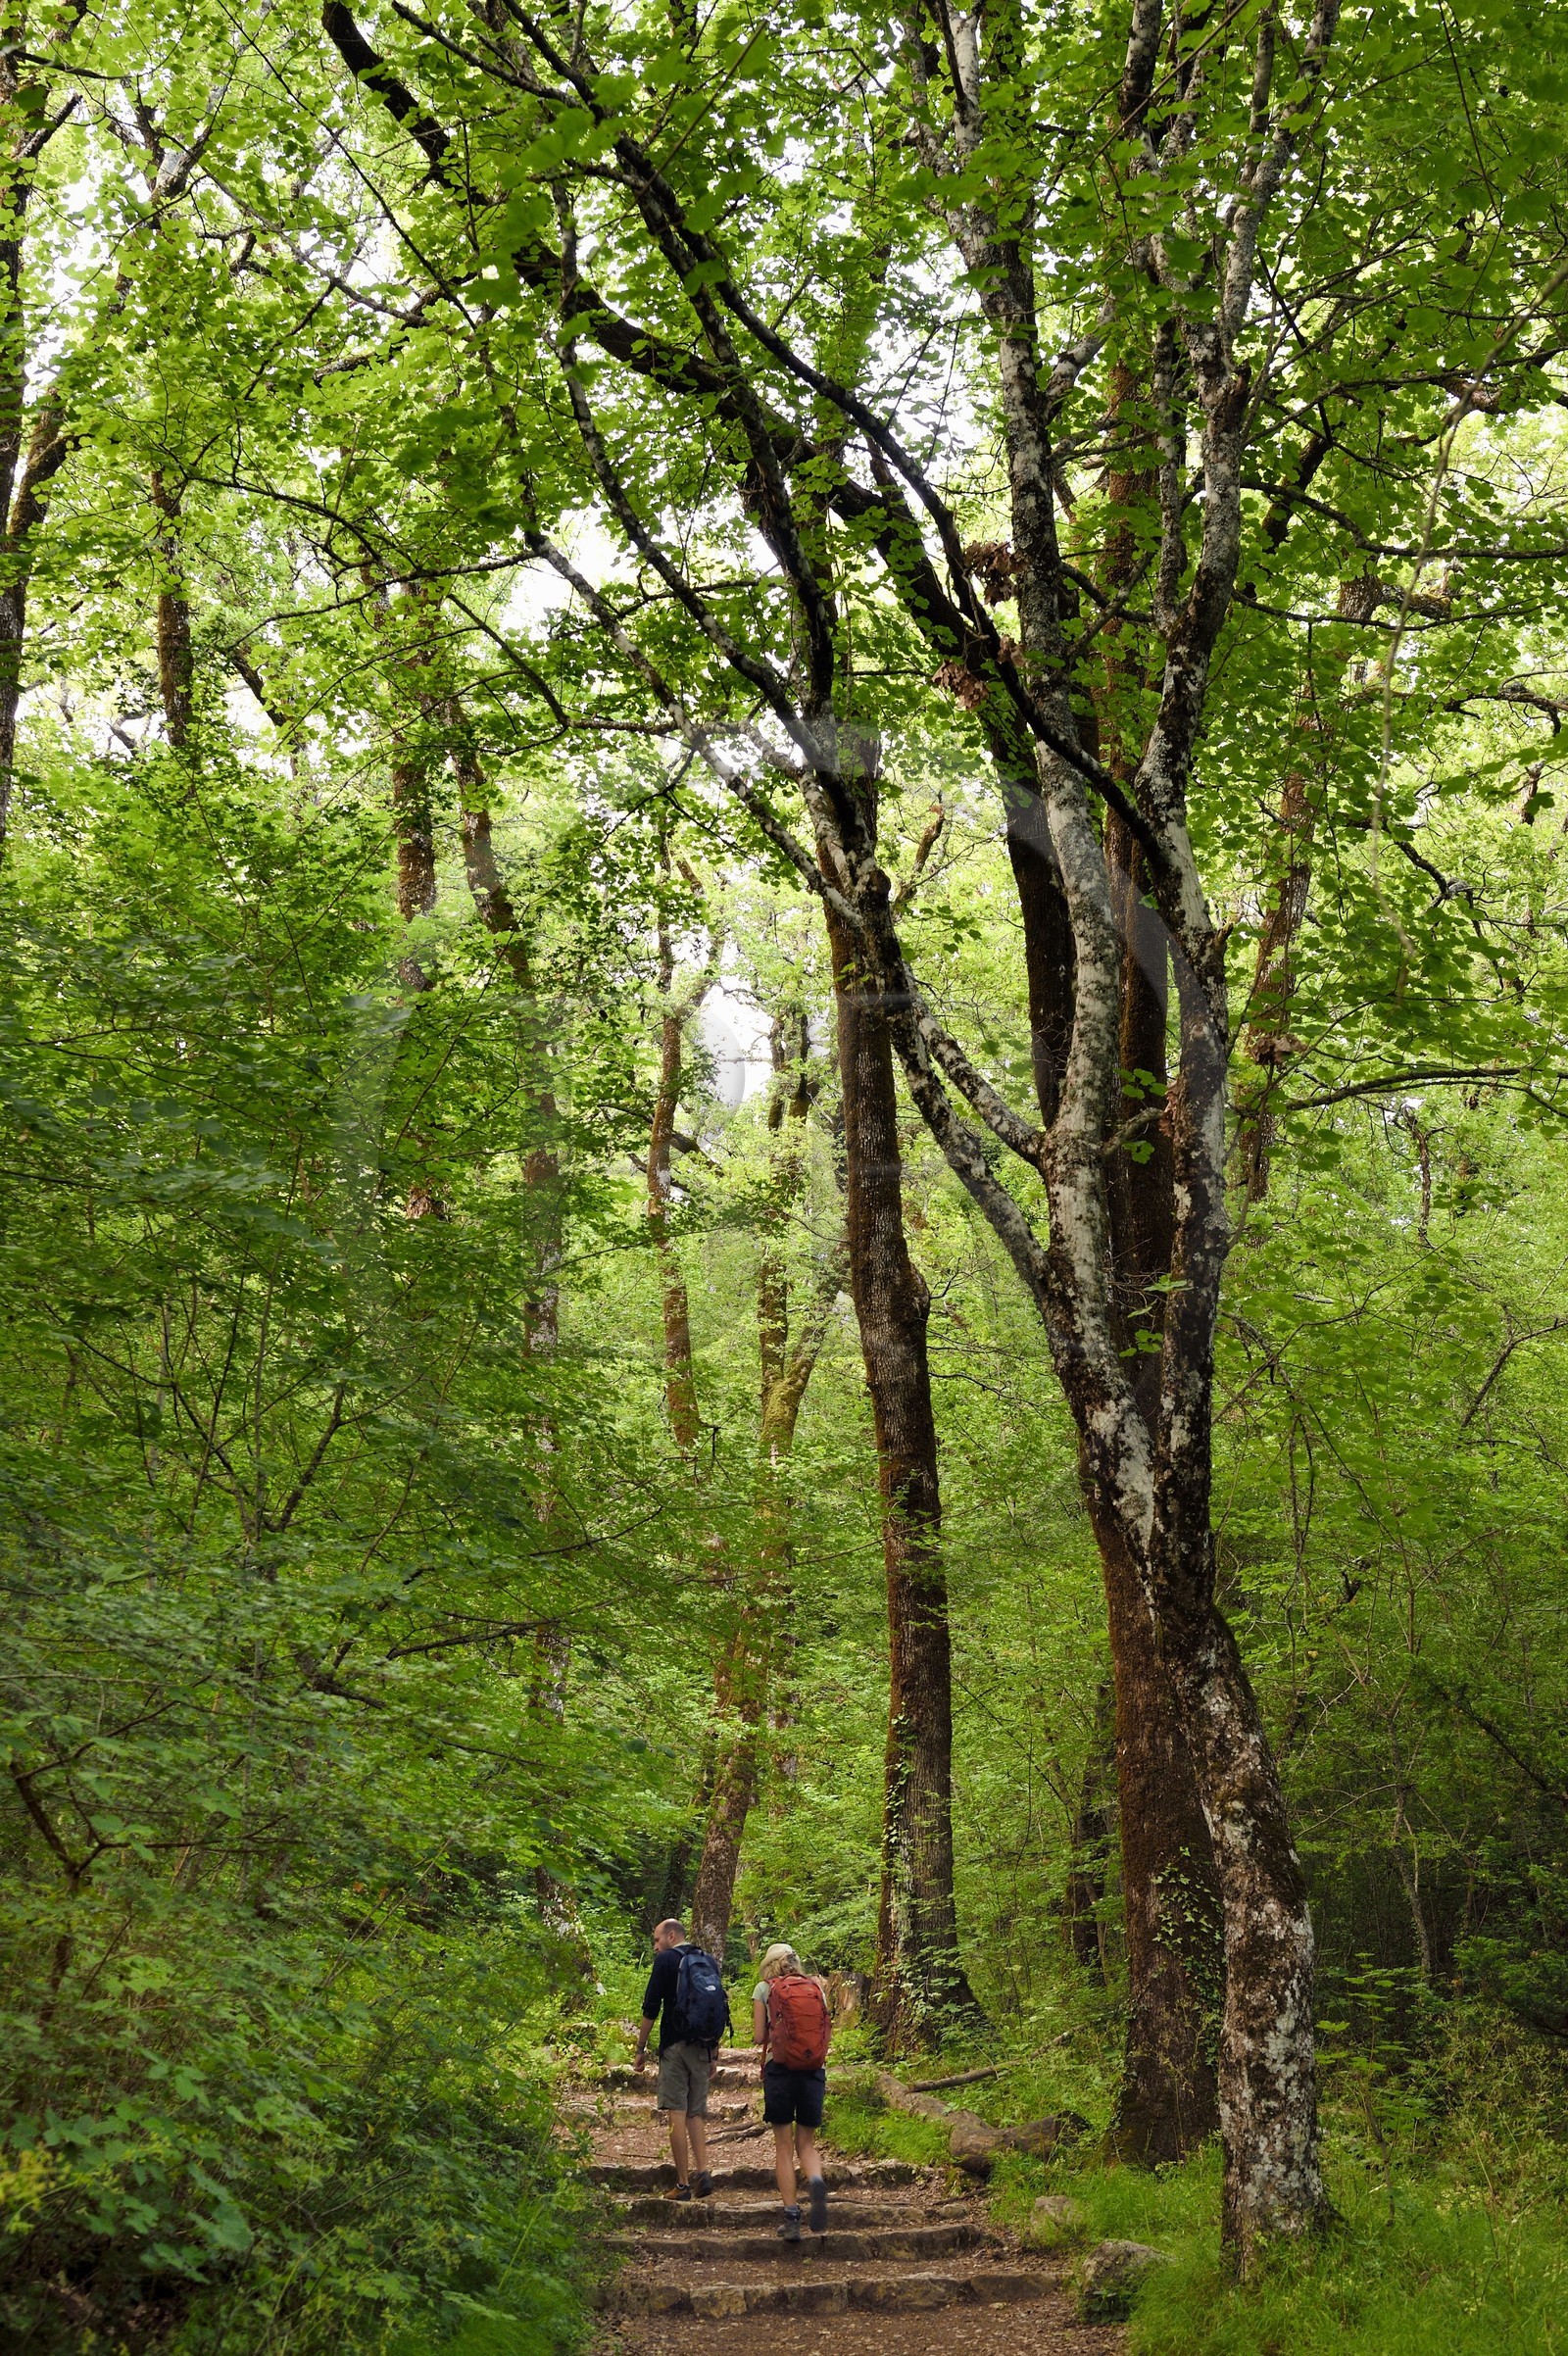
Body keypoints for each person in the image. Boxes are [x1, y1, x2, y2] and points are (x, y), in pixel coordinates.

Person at [632, 1917, 719, 2201]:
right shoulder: (706, 1959)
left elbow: (650, 2006)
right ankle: (703, 2172)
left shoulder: (667, 1961)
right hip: (703, 2046)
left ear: (671, 1936)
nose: (656, 1947)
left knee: (677, 2113)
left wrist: (641, 2046)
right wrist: (714, 2049)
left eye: (657, 1940)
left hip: (674, 2046)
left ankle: (682, 2184)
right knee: (695, 2112)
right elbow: (716, 2006)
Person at [753, 1940, 831, 2240]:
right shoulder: (815, 1987)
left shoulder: (764, 1989)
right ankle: (815, 2179)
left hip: (780, 2071)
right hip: (813, 2070)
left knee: (783, 2147)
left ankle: (792, 2216)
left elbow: (761, 2036)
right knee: (807, 2144)